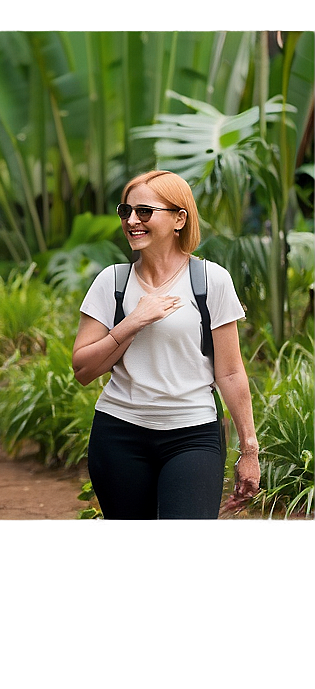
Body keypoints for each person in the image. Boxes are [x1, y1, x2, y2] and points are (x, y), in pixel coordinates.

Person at [72, 170, 260, 519]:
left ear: (179, 219)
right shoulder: (111, 282)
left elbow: (231, 373)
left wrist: (249, 450)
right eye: (125, 211)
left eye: (144, 212)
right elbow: (83, 369)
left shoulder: (211, 281)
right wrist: (133, 322)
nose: (132, 221)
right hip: (119, 432)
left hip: (193, 435)